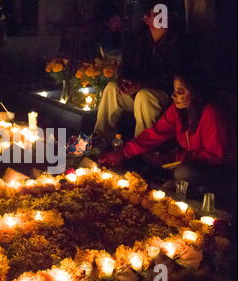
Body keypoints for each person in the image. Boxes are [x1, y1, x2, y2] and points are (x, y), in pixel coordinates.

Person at [99, 70, 228, 186]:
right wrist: (123, 153)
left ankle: (185, 184)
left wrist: (175, 158)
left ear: (195, 93)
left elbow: (213, 157)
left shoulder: (211, 113)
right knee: (147, 154)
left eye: (180, 92)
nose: (173, 96)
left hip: (215, 167)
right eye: (174, 90)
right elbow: (154, 134)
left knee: (184, 172)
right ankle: (170, 179)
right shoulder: (177, 111)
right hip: (185, 160)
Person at [93, 0, 186, 144]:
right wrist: (122, 81)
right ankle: (101, 140)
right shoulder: (137, 39)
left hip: (162, 94)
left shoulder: (177, 41)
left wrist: (140, 84)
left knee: (144, 96)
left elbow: (173, 76)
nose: (162, 19)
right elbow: (126, 65)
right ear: (147, 19)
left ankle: (142, 149)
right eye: (157, 15)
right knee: (111, 89)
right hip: (136, 89)